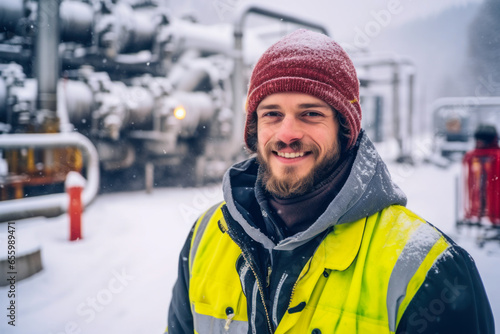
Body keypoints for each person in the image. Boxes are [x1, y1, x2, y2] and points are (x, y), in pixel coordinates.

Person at [166, 29, 494, 333]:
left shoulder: (427, 268)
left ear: (345, 130)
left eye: (311, 113)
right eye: (272, 114)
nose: (287, 134)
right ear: (254, 129)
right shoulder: (206, 236)